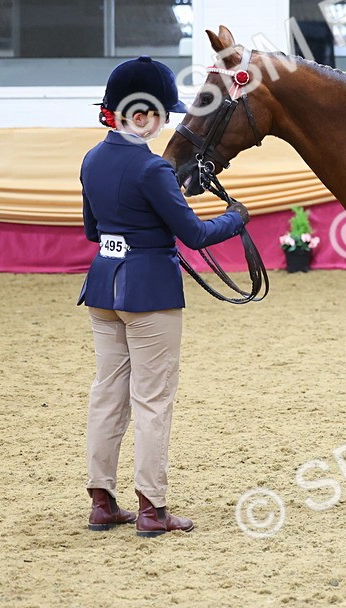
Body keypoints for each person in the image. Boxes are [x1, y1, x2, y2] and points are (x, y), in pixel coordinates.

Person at [80, 56, 250, 536]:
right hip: (149, 293)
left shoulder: (91, 159)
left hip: (102, 287)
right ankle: (152, 510)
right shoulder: (152, 169)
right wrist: (236, 218)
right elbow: (195, 234)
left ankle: (101, 500)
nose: (165, 124)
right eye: (159, 114)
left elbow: (94, 230)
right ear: (139, 115)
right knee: (153, 400)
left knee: (107, 395)